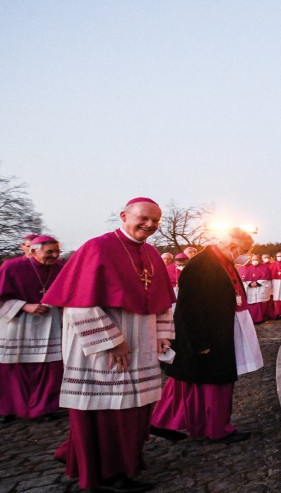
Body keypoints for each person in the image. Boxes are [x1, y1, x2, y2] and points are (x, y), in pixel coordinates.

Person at [42, 197, 175, 493]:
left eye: (155, 221)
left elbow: (163, 301)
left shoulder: (152, 254)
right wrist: (111, 342)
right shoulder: (97, 248)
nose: (150, 225)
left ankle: (117, 463)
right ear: (124, 216)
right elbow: (77, 304)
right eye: (144, 218)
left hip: (141, 343)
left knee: (133, 410)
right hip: (101, 350)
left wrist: (163, 332)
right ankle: (107, 474)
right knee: (105, 411)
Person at [151, 228, 257, 443]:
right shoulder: (201, 265)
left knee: (187, 382)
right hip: (206, 335)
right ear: (233, 246)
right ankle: (217, 429)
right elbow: (190, 307)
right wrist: (200, 342)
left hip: (216, 330)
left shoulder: (222, 262)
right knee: (214, 383)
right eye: (244, 251)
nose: (244, 256)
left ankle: (162, 422)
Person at [0, 235, 64, 421]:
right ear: (33, 251)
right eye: (49, 252)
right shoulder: (12, 267)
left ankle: (43, 409)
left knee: (48, 368)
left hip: (49, 324)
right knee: (13, 368)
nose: (54, 256)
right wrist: (25, 306)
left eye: (57, 251)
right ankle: (8, 409)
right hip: (17, 324)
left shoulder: (60, 268)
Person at [239, 254, 266, 323]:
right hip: (248, 289)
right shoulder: (240, 268)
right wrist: (249, 284)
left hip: (256, 289)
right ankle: (251, 320)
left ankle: (258, 319)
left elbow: (262, 276)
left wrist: (257, 283)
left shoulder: (253, 267)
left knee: (257, 304)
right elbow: (240, 280)